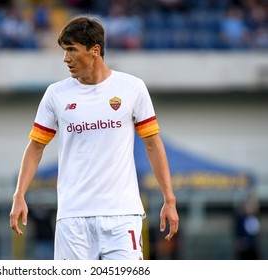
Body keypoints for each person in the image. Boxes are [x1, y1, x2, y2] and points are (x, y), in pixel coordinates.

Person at [10, 15, 179, 260]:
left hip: (123, 217)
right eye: (64, 51)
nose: (65, 58)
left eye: (72, 50)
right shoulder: (55, 94)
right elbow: (35, 147)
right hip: (72, 218)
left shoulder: (132, 88)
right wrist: (19, 195)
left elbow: (153, 145)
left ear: (95, 51)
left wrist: (169, 199)